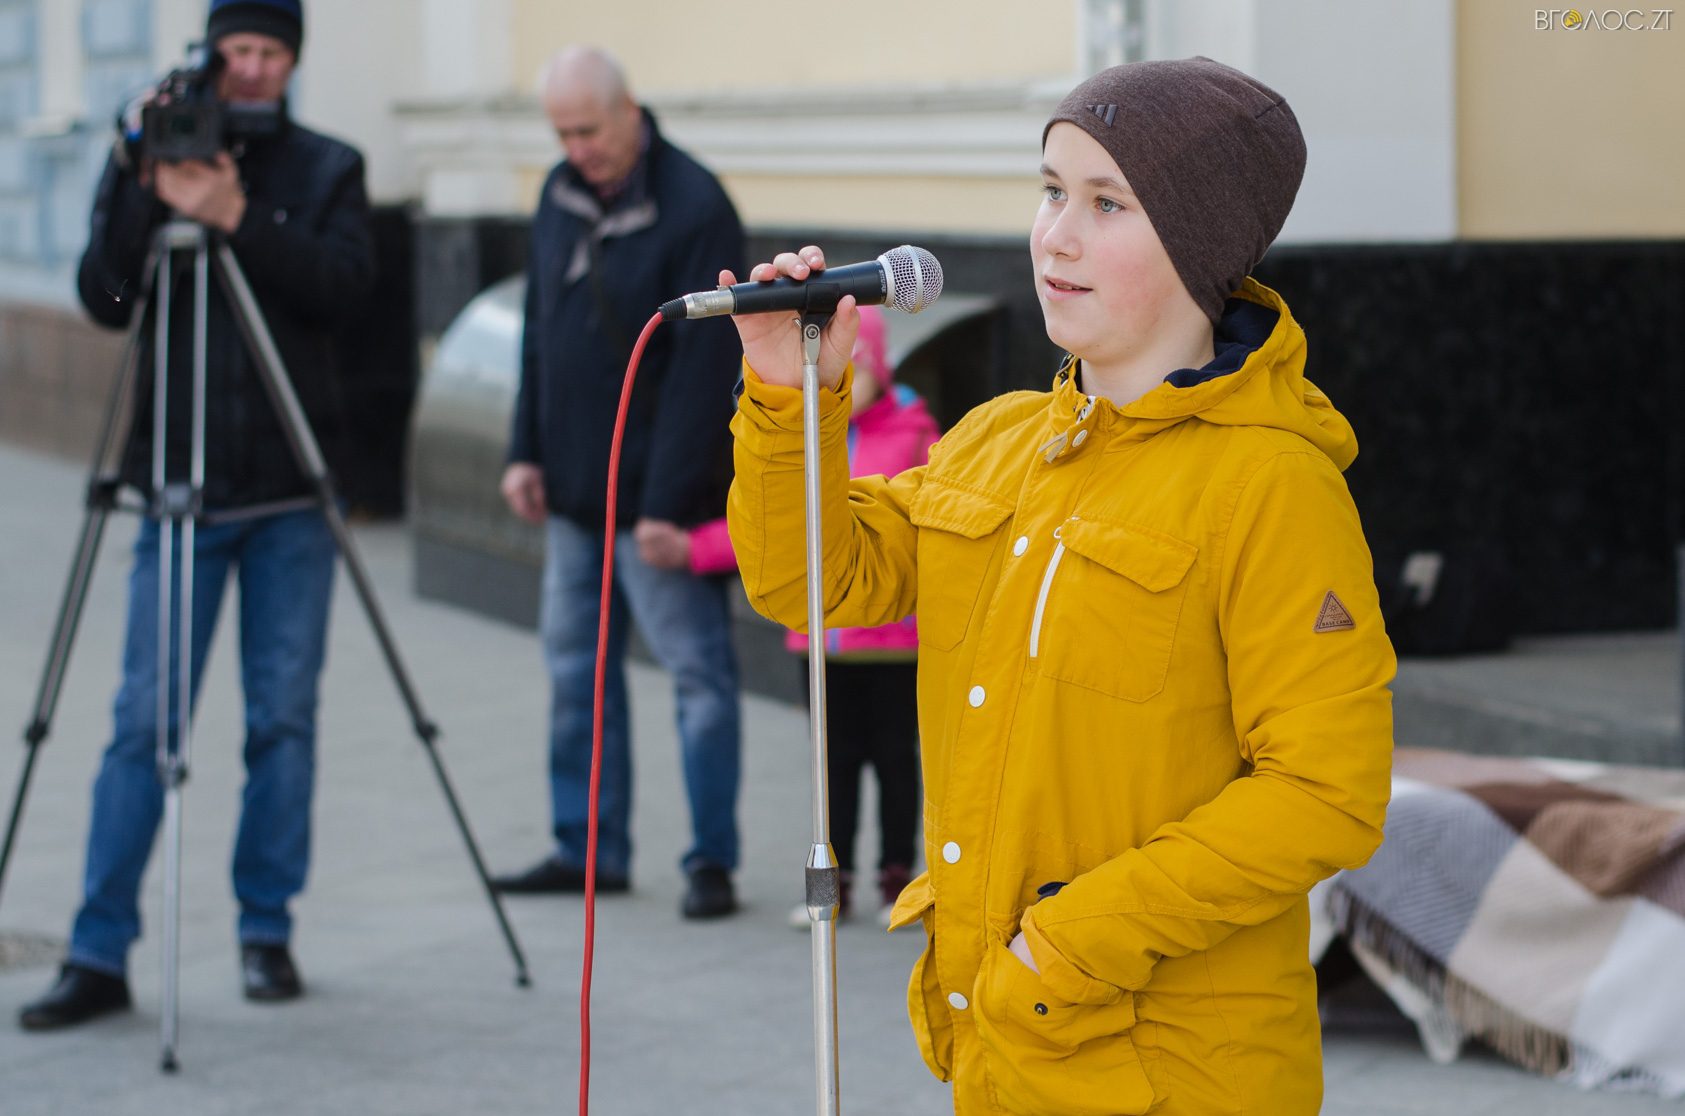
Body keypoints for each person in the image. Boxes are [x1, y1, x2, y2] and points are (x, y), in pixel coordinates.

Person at [725, 58, 1394, 1114]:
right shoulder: (998, 439)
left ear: (1199, 240)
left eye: (1106, 203)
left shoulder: (1271, 483)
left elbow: (1324, 793)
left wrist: (1067, 946)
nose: (1056, 237)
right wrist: (785, 395)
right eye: (1049, 191)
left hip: (1171, 1070)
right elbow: (813, 582)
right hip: (1003, 1050)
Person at [18, 0, 374, 1030]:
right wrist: (139, 179)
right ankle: (98, 951)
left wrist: (235, 216)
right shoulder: (154, 148)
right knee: (142, 725)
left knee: (282, 722)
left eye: (270, 51)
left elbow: (344, 292)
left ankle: (266, 931)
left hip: (289, 493)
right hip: (177, 488)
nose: (252, 67)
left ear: (292, 61)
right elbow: (105, 297)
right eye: (237, 49)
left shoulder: (328, 167)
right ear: (208, 55)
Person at [492, 47, 748, 920]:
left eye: (589, 131)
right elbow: (539, 331)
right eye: (561, 134)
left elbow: (702, 375)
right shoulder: (557, 193)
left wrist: (666, 508)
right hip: (573, 493)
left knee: (698, 682)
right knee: (575, 675)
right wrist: (523, 450)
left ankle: (710, 861)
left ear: (629, 110)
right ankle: (586, 849)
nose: (577, 150)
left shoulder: (696, 206)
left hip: (656, 505)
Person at [646, 306, 940, 927]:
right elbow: (772, 526)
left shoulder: (916, 434)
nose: (849, 379)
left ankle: (897, 877)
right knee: (831, 768)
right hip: (821, 644)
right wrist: (696, 549)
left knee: (896, 759)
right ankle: (834, 887)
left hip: (893, 643)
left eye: (860, 367)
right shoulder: (803, 430)